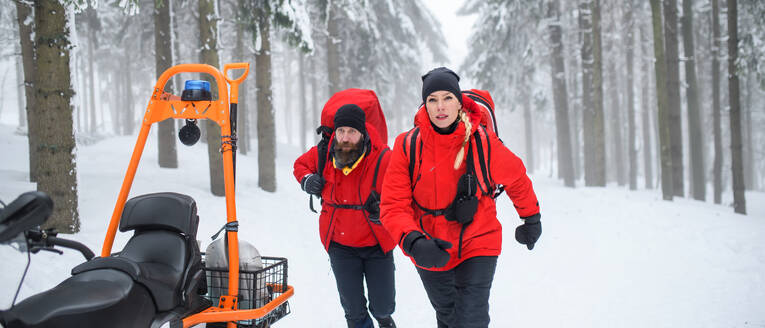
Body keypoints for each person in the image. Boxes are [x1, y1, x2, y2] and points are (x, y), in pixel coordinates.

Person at [380, 67, 542, 328]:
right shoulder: (407, 145)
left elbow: (517, 177)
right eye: (432, 100)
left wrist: (531, 218)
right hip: (431, 244)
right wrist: (414, 242)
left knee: (471, 319)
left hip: (478, 239)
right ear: (425, 105)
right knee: (447, 316)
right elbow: (393, 205)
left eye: (447, 98)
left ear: (459, 103)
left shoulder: (483, 142)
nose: (440, 106)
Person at [293, 104, 397, 328]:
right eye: (341, 131)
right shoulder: (323, 152)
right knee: (353, 310)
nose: (345, 137)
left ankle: (384, 319)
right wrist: (307, 180)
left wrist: (386, 208)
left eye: (352, 131)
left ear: (363, 132)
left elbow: (402, 186)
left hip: (377, 243)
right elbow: (300, 165)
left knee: (383, 306)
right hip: (340, 245)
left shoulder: (383, 157)